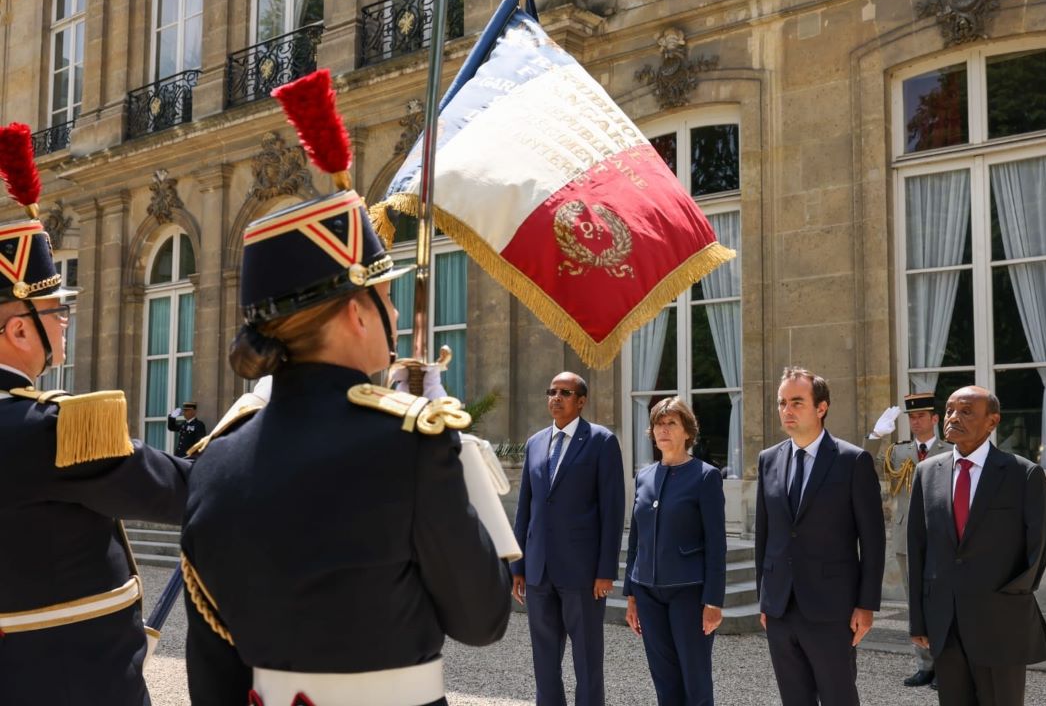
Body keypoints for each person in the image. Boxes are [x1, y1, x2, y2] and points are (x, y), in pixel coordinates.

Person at [180, 69, 510, 706]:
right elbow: (482, 618)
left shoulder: (214, 460)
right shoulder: (411, 442)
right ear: (357, 312)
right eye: (384, 295)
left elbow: (213, 671)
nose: (390, 312)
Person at [0, 122, 191, 706]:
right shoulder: (50, 430)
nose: (65, 323)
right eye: (56, 312)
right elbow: (182, 492)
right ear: (16, 329)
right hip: (71, 681)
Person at [908, 386, 1046, 706]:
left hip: (1000, 623)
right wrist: (919, 620)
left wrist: (1004, 602)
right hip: (944, 624)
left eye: (965, 412)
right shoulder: (926, 473)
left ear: (992, 421)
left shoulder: (1023, 474)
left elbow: (1037, 551)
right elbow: (918, 550)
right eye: (948, 411)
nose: (953, 418)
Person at [755, 366, 885, 706]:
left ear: (821, 407)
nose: (787, 410)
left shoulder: (852, 461)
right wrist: (764, 597)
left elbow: (872, 540)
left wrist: (866, 604)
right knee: (793, 698)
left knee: (838, 696)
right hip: (781, 606)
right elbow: (765, 535)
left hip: (832, 607)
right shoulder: (768, 460)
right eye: (782, 403)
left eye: (797, 402)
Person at [511, 371, 625, 706]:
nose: (556, 398)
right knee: (544, 660)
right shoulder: (534, 443)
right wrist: (517, 565)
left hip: (583, 573)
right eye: (552, 392)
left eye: (565, 392)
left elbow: (612, 510)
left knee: (587, 659)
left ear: (581, 401)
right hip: (538, 570)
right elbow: (525, 509)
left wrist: (606, 570)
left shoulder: (601, 442)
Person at [624, 397, 725, 706]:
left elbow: (716, 544)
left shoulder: (705, 476)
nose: (663, 430)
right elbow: (636, 540)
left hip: (689, 594)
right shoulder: (644, 476)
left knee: (695, 680)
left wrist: (713, 601)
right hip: (648, 593)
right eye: (658, 424)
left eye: (671, 423)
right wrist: (631, 595)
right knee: (664, 680)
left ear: (687, 433)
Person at [864, 393, 951, 688]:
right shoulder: (898, 453)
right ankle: (925, 665)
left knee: (944, 603)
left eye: (921, 416)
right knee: (915, 603)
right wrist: (875, 435)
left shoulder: (949, 450)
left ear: (935, 419)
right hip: (906, 537)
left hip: (942, 538)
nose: (915, 422)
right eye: (912, 417)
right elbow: (864, 467)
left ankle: (947, 666)